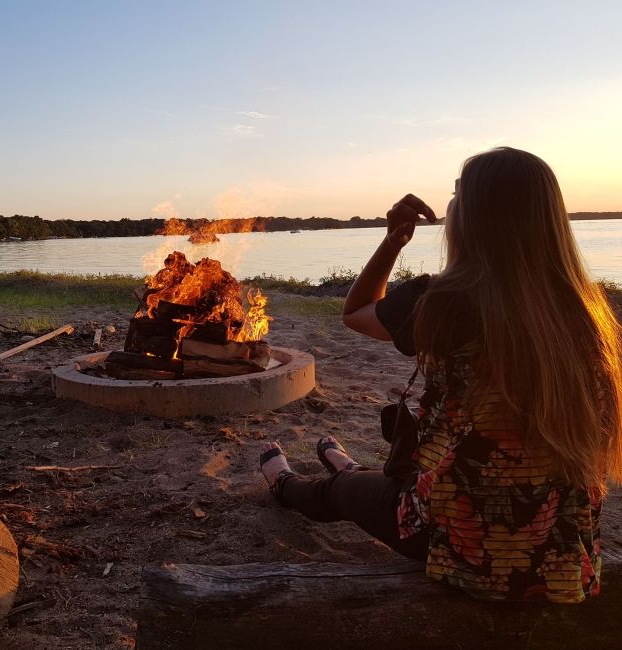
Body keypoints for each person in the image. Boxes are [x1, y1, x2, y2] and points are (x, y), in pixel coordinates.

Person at [259, 147, 622, 603]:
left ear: (473, 217)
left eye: (456, 196)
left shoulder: (445, 301)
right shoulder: (585, 311)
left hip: (463, 541)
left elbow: (354, 313)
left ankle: (288, 486)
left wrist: (393, 240)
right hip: (562, 549)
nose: (450, 206)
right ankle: (362, 471)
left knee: (343, 492)